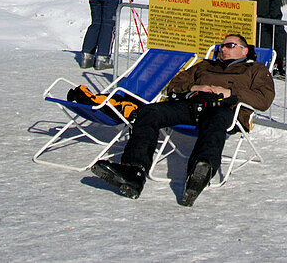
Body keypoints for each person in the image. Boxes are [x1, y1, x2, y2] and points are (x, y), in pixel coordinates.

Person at [92, 33, 274, 205]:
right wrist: (196, 86)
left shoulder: (255, 69)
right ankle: (134, 172)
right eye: (222, 46)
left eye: (230, 45)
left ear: (244, 50)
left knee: (216, 119)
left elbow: (264, 99)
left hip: (225, 110)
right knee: (149, 112)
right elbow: (175, 85)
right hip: (192, 105)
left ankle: (200, 173)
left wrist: (231, 92)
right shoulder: (205, 65)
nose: (223, 49)